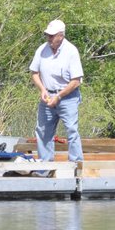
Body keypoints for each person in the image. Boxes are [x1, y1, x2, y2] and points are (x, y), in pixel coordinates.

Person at [30, 19, 84, 164]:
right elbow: (34, 72)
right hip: (48, 97)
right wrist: (42, 89)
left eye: (52, 36)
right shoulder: (42, 49)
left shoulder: (71, 51)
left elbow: (76, 80)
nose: (49, 38)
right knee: (43, 131)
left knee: (72, 130)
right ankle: (45, 167)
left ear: (61, 35)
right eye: (48, 35)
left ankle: (76, 166)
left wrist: (59, 96)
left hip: (67, 97)